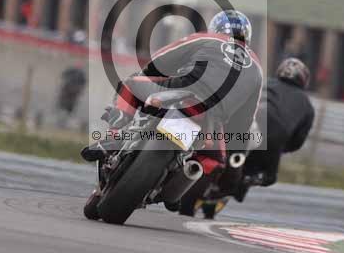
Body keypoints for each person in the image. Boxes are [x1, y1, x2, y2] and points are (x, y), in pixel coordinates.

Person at [82, 10, 263, 169]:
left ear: (215, 27)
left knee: (131, 84)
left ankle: (113, 136)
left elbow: (163, 58)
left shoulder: (207, 38)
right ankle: (185, 180)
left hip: (184, 88)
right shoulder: (257, 69)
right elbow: (245, 118)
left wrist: (147, 74)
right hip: (214, 116)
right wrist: (235, 149)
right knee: (216, 160)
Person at [241, 57, 315, 189]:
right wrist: (282, 148)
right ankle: (247, 180)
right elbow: (298, 141)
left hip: (245, 124)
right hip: (273, 139)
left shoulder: (264, 82)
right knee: (269, 178)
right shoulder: (307, 105)